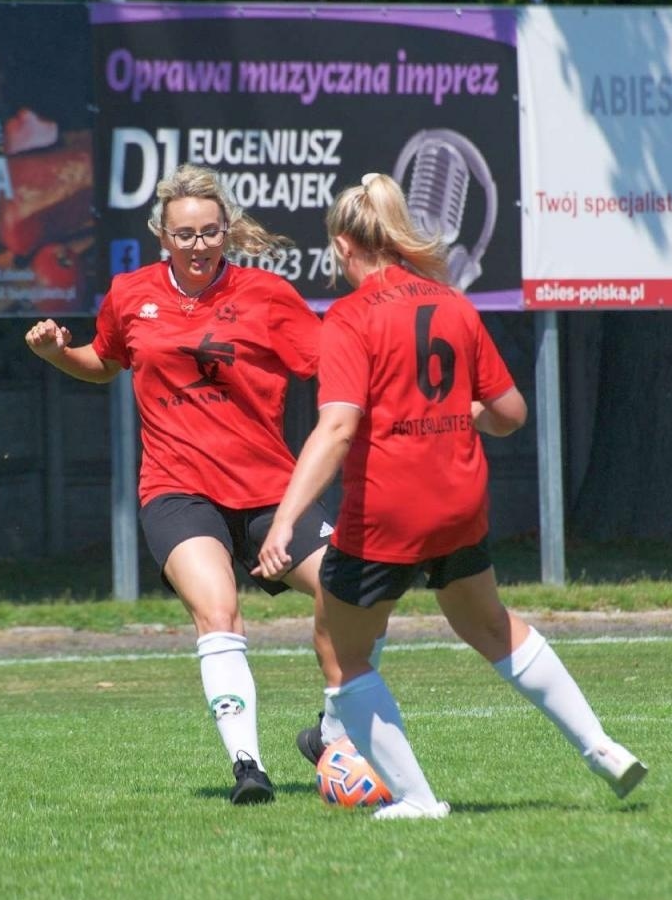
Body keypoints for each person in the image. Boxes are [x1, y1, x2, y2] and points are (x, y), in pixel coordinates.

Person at [256, 173, 647, 820]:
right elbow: (512, 412)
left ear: (348, 246)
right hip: (459, 501)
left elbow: (337, 425)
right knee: (490, 624)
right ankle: (601, 744)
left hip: (388, 509)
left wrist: (285, 519)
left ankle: (416, 798)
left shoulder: (351, 317)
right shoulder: (453, 303)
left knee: (338, 647)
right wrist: (463, 414)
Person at [25, 163, 382, 805]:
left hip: (271, 490)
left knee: (351, 592)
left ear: (227, 231)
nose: (197, 245)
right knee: (218, 613)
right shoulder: (131, 293)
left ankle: (329, 734)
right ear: (162, 233)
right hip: (177, 490)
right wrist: (58, 353)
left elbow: (337, 367)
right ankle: (249, 766)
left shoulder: (268, 297)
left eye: (210, 232)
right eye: (184, 234)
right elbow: (103, 364)